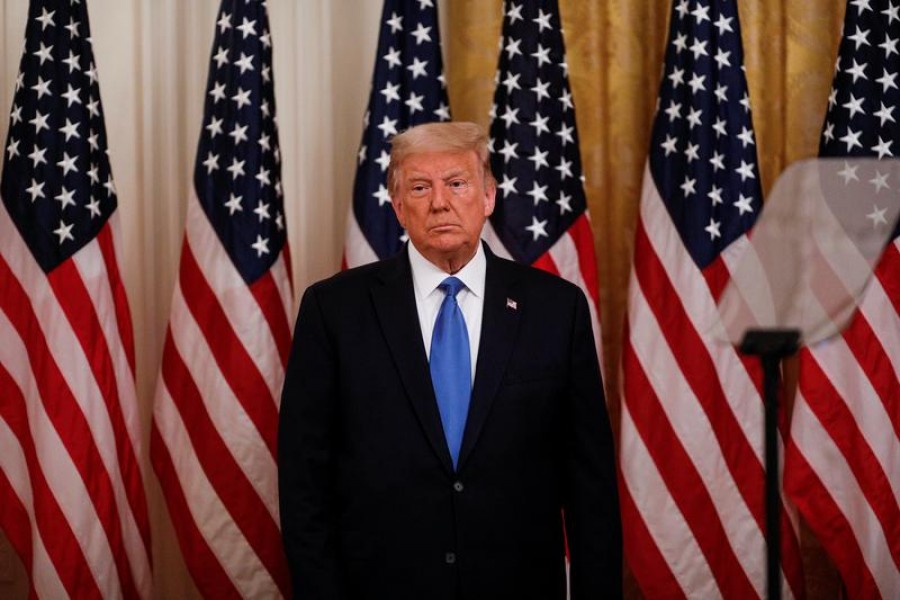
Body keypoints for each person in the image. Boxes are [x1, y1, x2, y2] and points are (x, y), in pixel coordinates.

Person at [278, 121, 621, 599]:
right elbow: (303, 481)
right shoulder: (333, 310)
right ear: (398, 207)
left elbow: (591, 484)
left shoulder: (556, 309)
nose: (439, 201)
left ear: (487, 197)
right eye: (420, 187)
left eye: (457, 183)